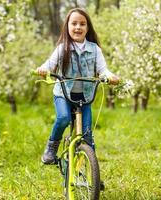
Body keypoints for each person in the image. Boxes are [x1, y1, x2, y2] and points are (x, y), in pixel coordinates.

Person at [36, 8, 119, 165]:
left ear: (87, 28)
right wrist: (43, 69)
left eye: (82, 24)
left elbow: (102, 70)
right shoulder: (63, 48)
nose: (78, 27)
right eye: (74, 23)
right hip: (64, 94)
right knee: (63, 118)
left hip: (84, 97)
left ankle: (92, 173)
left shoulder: (94, 49)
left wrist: (110, 76)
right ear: (67, 26)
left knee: (87, 134)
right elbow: (50, 64)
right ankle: (51, 148)